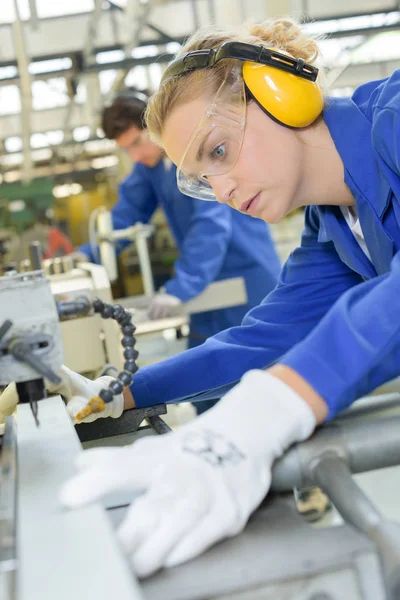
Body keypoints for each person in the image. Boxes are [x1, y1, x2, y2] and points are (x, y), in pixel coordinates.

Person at [3, 16, 400, 578]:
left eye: (219, 151)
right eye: (202, 180)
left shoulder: (397, 117)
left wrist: (271, 411)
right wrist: (121, 393)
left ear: (281, 94)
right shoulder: (333, 227)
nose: (223, 191)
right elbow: (259, 342)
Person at [79, 90, 281, 373]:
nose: (135, 156)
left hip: (245, 276)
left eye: (137, 142)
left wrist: (180, 288)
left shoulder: (196, 154)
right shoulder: (151, 168)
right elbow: (124, 219)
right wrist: (82, 261)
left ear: (155, 124)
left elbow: (211, 226)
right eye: (127, 150)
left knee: (266, 371)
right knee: (207, 377)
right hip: (202, 285)